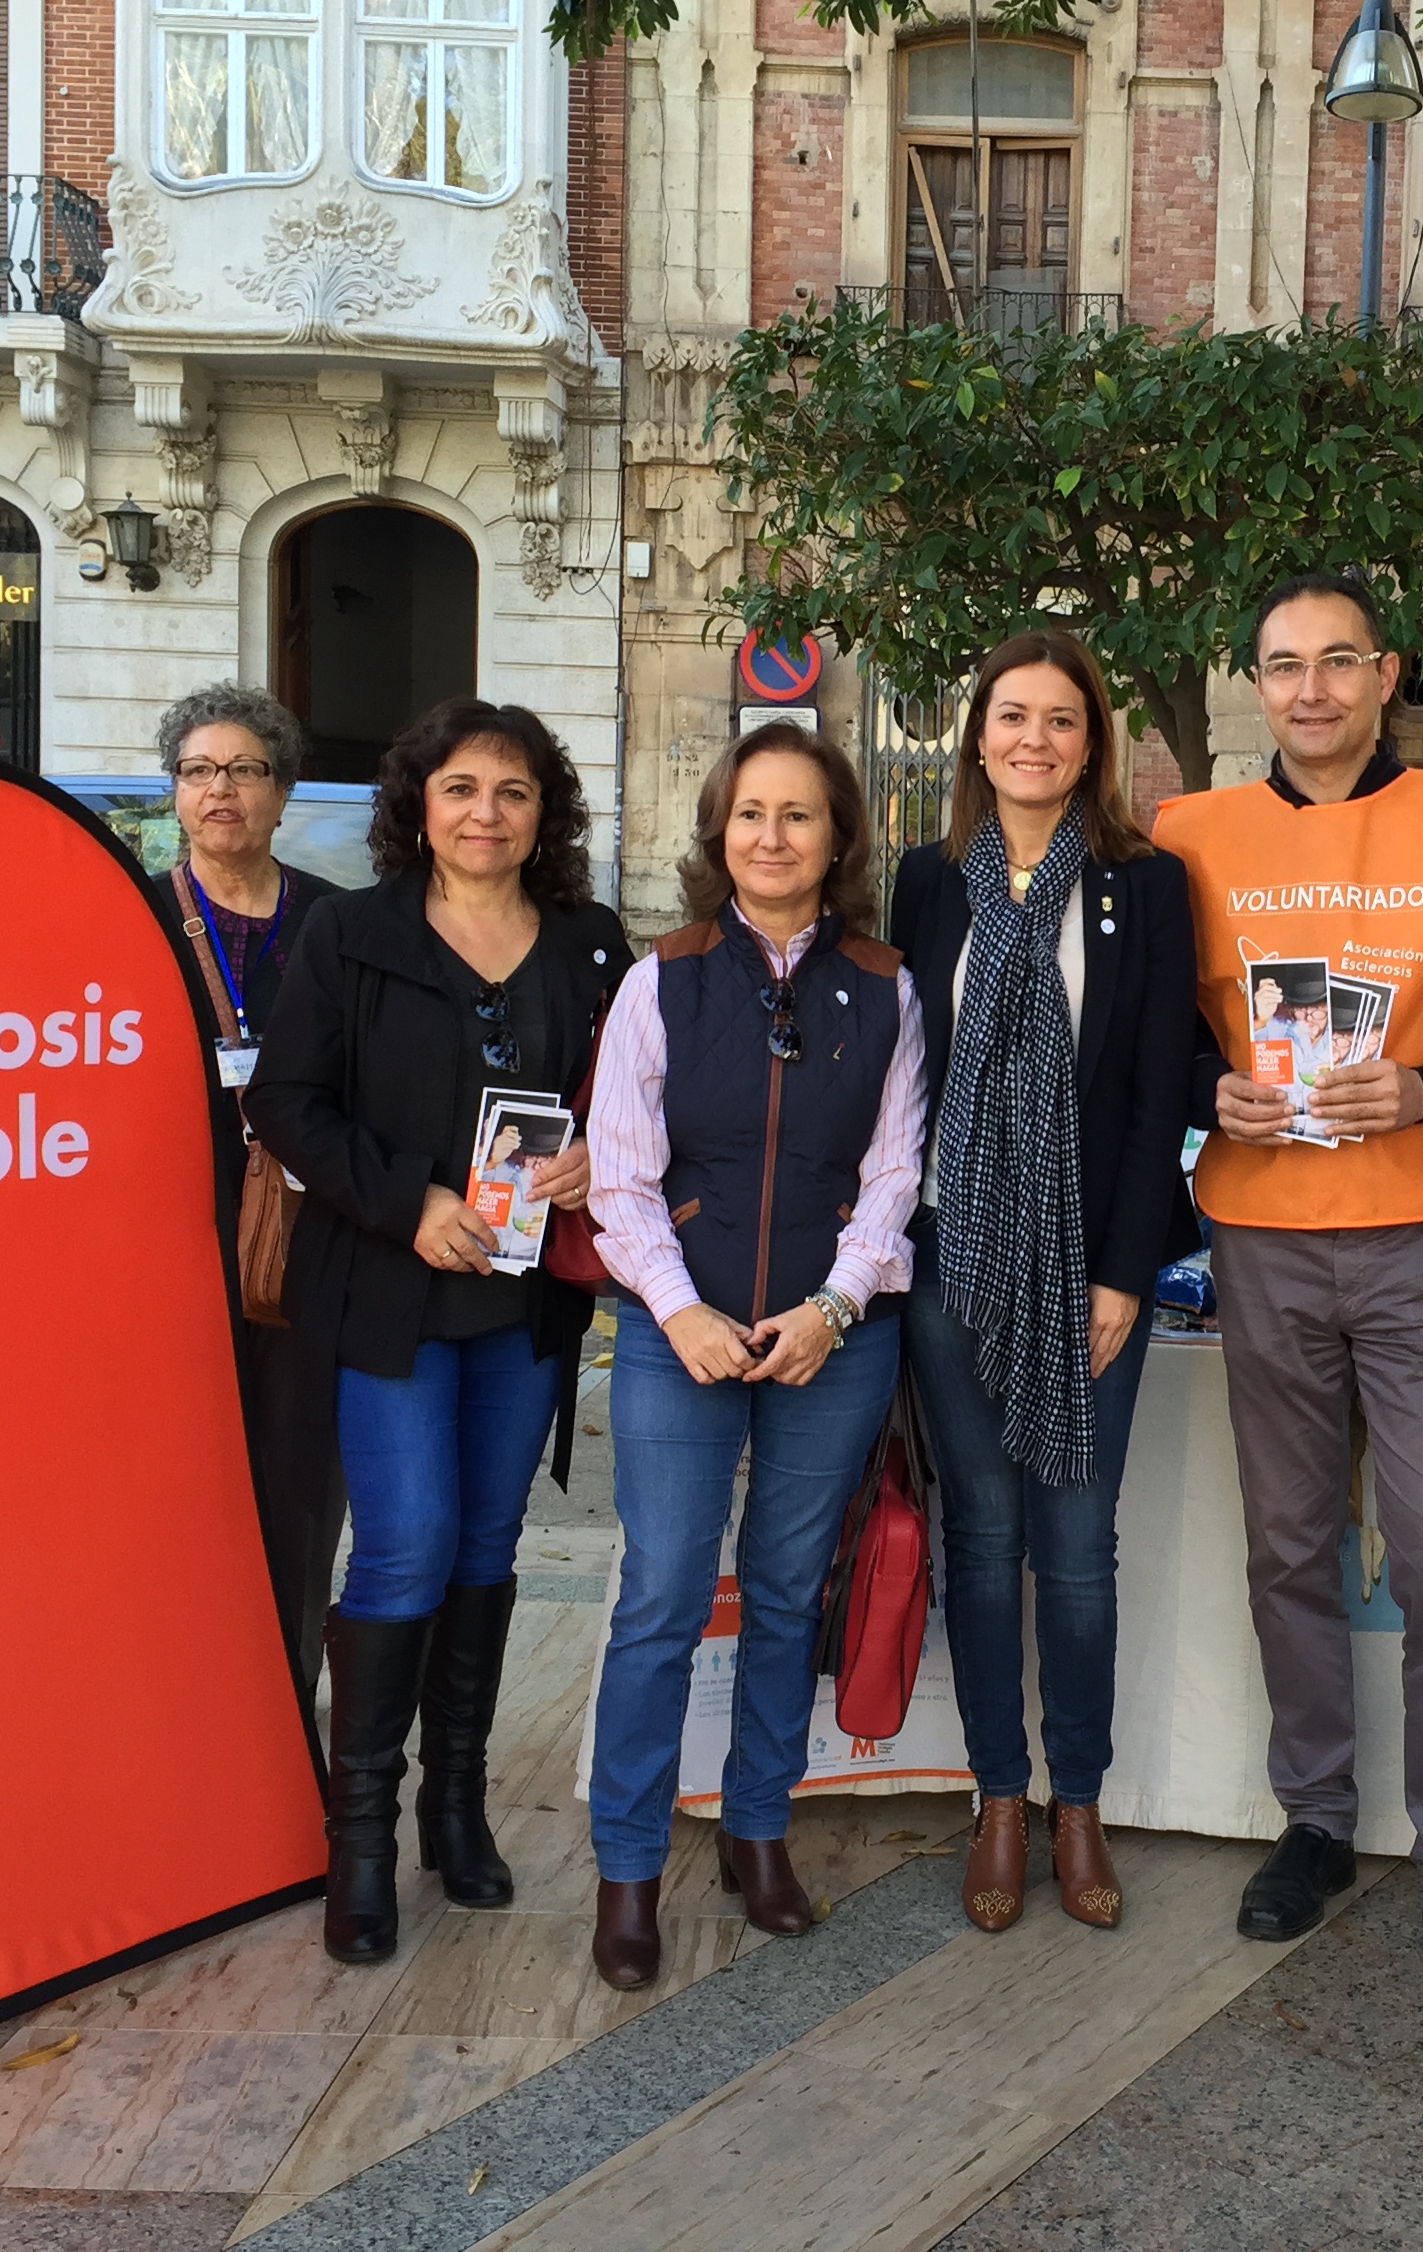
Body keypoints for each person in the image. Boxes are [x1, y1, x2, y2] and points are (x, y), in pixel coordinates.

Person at [1151, 570, 1423, 1999]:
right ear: (1251, 686)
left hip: (1420, 1236)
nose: (1312, 689)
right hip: (1260, 1238)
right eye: (1283, 665)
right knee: (1284, 1545)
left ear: (1388, 674)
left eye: (1340, 661)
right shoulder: (1188, 836)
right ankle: (1316, 1821)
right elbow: (1153, 1051)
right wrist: (1212, 1095)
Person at [245, 701, 627, 1966]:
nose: (485, 813)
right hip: (391, 1299)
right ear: (419, 803)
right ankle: (358, 1839)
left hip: (521, 1303)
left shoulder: (587, 948)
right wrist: (407, 1198)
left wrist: (589, 1168)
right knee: (402, 1550)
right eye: (461, 788)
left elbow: (619, 1102)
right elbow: (287, 1103)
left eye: (512, 793)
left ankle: (451, 1812)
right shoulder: (349, 936)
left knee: (485, 1547)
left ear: (542, 816)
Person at [584, 722, 925, 1992]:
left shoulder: (886, 984)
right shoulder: (660, 980)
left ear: (838, 838)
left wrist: (835, 1306)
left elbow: (897, 1168)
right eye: (749, 815)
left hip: (832, 1345)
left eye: (797, 815)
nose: (771, 837)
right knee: (664, 1597)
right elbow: (619, 1177)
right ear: (718, 835)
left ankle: (760, 1832)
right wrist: (681, 1312)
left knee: (786, 1595)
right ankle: (627, 1866)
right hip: (683, 1336)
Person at [890, 631, 1197, 1935]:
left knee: (1076, 1549)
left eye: (1061, 720)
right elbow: (899, 1070)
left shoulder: (1145, 887)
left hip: (1087, 1272)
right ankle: (997, 1800)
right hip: (953, 1257)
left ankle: (1079, 1801)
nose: (1035, 740)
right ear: (976, 737)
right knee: (982, 1535)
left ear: (1093, 744)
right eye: (1012, 717)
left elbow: (1155, 1093)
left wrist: (1125, 1269)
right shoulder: (924, 884)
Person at [152, 681, 348, 1710]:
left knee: (297, 1502)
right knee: (175, 1503)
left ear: (282, 791)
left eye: (244, 769)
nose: (220, 789)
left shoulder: (335, 923)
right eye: (197, 770)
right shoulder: (133, 920)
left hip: (304, 1257)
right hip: (166, 1255)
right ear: (174, 795)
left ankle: (283, 1723)